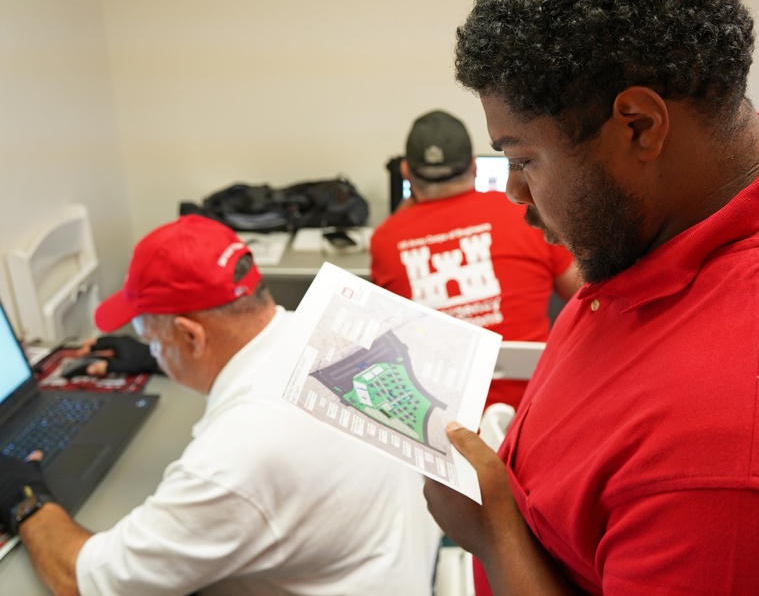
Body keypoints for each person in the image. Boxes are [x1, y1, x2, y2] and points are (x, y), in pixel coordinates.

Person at [421, 0, 759, 595]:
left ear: (638, 126)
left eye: (521, 159)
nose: (514, 191)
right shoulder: (752, 187)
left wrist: (495, 531)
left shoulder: (741, 478)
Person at [0, 215, 440, 596]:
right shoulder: (333, 332)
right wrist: (160, 360)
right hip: (390, 568)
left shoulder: (235, 458)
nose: (149, 348)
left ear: (191, 337)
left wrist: (23, 497)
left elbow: (83, 581)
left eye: (150, 337)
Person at [370, 109, 582, 409]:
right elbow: (584, 289)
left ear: (406, 172)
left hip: (443, 417)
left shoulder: (385, 239)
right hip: (535, 405)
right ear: (474, 167)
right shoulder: (524, 212)